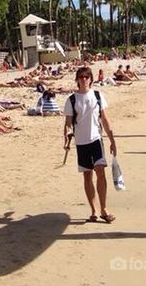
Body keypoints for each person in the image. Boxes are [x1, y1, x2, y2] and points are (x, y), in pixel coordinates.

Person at [62, 67, 117, 224]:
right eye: (81, 77)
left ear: (91, 79)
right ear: (77, 79)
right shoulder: (71, 100)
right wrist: (65, 139)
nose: (84, 79)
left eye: (86, 77)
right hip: (81, 142)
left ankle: (104, 209)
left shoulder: (98, 96)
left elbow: (105, 119)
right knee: (88, 175)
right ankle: (93, 211)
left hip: (96, 140)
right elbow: (67, 124)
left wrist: (112, 140)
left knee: (100, 171)